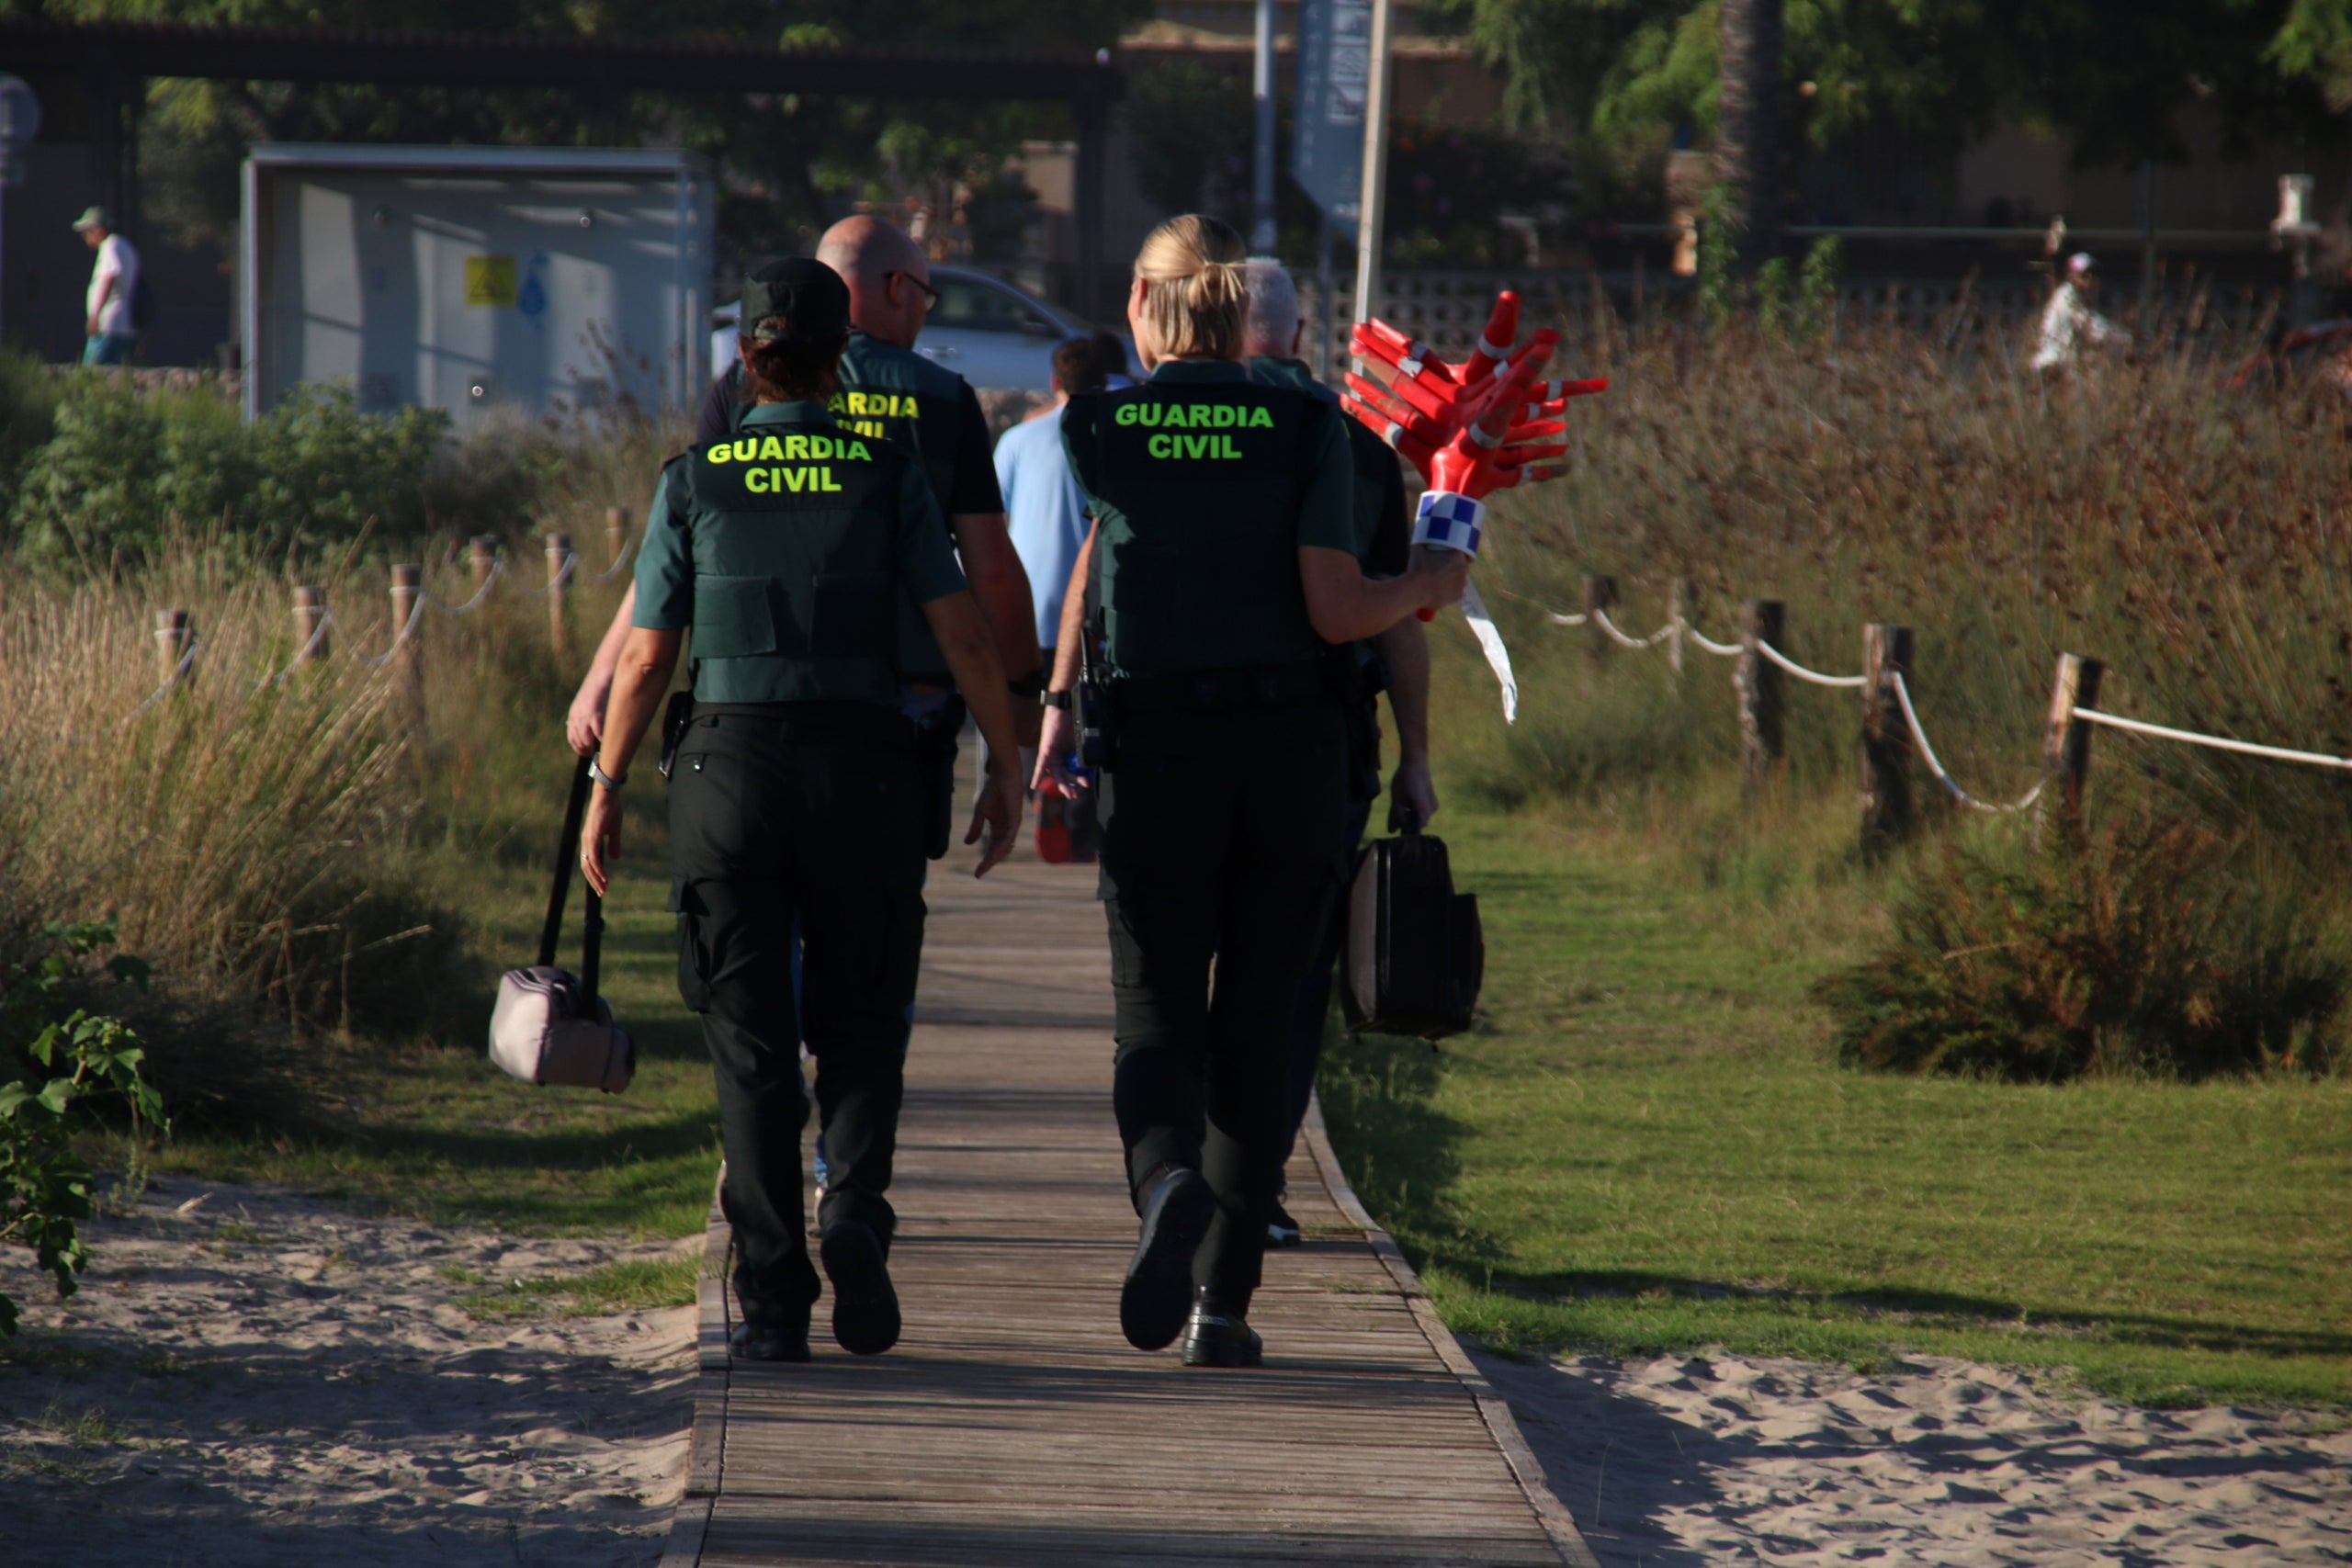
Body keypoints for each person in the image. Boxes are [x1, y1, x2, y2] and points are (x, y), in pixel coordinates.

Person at [1035, 215, 1466, 1368]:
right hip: (1289, 760)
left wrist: (1052, 709)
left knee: (1156, 1012)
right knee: (1261, 1029)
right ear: (1248, 316)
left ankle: (1164, 1178)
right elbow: (1337, 608)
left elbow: (1105, 560)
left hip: (1156, 759)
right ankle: (1222, 1306)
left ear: (1146, 303)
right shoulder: (1313, 424)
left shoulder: (1096, 424)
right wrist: (1430, 577)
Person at [580, 258, 1028, 1363]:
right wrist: (1006, 763)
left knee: (749, 1046)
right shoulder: (885, 473)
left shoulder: (693, 481)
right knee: (864, 1021)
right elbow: (964, 632)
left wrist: (608, 786)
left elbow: (644, 660)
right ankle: (856, 1212)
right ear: (839, 361)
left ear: (745, 357)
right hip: (864, 773)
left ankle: (774, 1302)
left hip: (726, 776)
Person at [567, 217, 1043, 759]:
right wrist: (1022, 690)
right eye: (923, 298)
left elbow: (675, 550)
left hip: (750, 695)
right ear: (895, 288)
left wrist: (605, 677)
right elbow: (993, 571)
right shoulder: (944, 398)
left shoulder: (745, 390)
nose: (922, 315)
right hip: (900, 703)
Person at [1239, 255, 1435, 1248]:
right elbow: (1400, 616)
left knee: (1186, 959)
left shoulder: (1163, 428)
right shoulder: (1357, 443)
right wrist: (1417, 758)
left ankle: (1178, 1164)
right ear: (1300, 331)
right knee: (1291, 971)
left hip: (1181, 739)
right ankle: (1258, 1181)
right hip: (1318, 744)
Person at [995, 335, 1106, 860]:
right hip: (1086, 610)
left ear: (1055, 382)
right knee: (1086, 713)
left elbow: (996, 520)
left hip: (1029, 604)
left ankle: (1024, 786)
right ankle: (1078, 806)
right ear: (1105, 384)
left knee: (1028, 706)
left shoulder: (1019, 439)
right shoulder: (1110, 435)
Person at [2031, 253, 2125, 374]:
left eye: (2094, 274)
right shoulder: (2066, 297)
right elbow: (2092, 326)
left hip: (2065, 364)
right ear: (2071, 275)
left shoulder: (2079, 297)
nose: (2090, 278)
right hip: (2052, 364)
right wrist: (2125, 337)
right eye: (2084, 275)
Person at [74, 207, 140, 367]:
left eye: (87, 231)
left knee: (91, 375)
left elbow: (108, 277)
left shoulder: (110, 246)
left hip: (108, 325)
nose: (85, 237)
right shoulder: (125, 247)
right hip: (124, 325)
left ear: (99, 229)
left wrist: (95, 316)